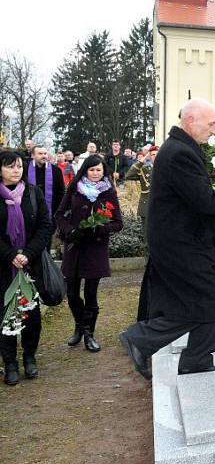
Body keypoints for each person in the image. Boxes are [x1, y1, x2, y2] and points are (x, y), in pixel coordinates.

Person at [118, 99, 215, 379]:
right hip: (182, 245)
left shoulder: (182, 149)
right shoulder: (180, 153)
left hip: (185, 242)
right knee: (213, 300)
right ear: (191, 121)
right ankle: (142, 338)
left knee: (210, 300)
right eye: (211, 124)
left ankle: (195, 359)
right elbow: (204, 200)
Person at [55, 155, 123, 352]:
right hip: (74, 246)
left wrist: (100, 229)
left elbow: (118, 223)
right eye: (91, 170)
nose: (95, 173)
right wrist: (70, 231)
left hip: (95, 248)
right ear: (85, 170)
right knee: (72, 292)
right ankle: (78, 325)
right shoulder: (74, 189)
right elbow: (59, 214)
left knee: (91, 294)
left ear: (104, 172)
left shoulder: (108, 192)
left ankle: (89, 334)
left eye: (98, 170)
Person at [0, 151, 53, 385]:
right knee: (5, 316)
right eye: (10, 166)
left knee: (31, 314)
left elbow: (45, 226)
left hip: (30, 265)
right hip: (3, 268)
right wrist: (10, 254)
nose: (16, 170)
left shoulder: (33, 193)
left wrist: (27, 254)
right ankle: (10, 363)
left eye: (19, 166)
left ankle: (29, 358)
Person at [125, 145, 158, 243]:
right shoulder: (144, 169)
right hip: (147, 205)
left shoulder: (168, 168)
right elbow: (129, 175)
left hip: (163, 206)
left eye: (157, 155)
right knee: (148, 238)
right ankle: (148, 258)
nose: (155, 157)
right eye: (152, 155)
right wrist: (142, 160)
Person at [26, 144, 65, 219]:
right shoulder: (25, 169)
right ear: (33, 156)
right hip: (29, 209)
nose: (44, 156)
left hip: (51, 209)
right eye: (40, 154)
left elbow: (61, 192)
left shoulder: (56, 170)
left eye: (45, 153)